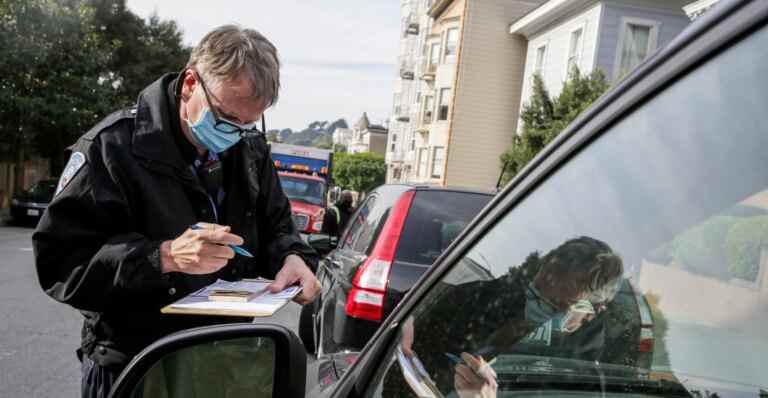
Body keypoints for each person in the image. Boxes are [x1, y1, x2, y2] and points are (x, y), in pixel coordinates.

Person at [32, 25, 320, 398]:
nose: (235, 133)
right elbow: (61, 265)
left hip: (222, 362)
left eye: (249, 123)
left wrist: (292, 256)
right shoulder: (111, 147)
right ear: (189, 84)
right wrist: (162, 257)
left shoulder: (250, 150)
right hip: (136, 366)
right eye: (225, 117)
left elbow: (277, 223)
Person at [386, 236, 624, 397]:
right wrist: (410, 315)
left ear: (593, 313)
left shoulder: (584, 375)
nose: (536, 304)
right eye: (536, 290)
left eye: (554, 306)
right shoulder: (493, 298)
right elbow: (425, 302)